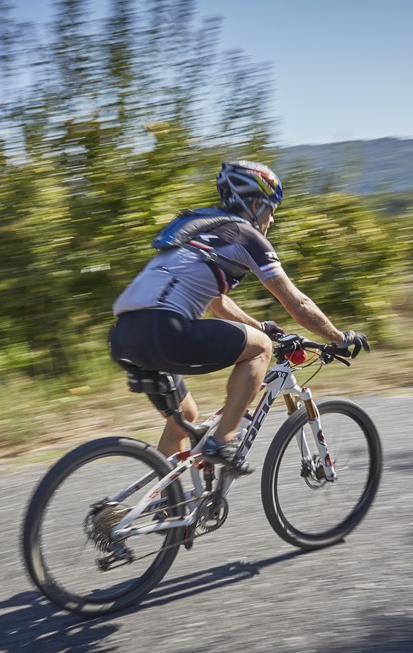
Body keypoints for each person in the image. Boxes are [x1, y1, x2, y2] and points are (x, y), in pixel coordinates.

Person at [108, 160, 369, 474]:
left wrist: (259, 327)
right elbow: (296, 303)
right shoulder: (246, 236)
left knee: (184, 418)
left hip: (124, 335)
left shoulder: (203, 226)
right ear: (256, 203)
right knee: (261, 349)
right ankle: (224, 442)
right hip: (166, 332)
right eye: (271, 209)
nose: (271, 219)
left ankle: (162, 508)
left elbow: (217, 303)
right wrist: (339, 337)